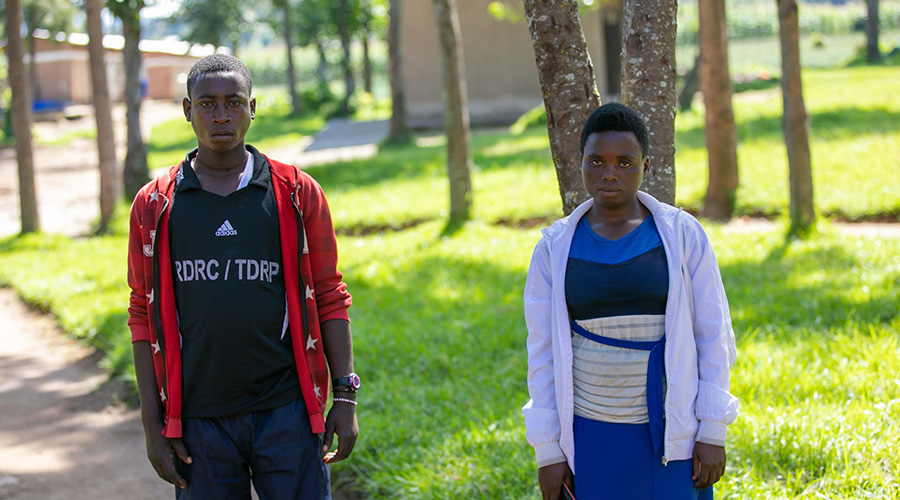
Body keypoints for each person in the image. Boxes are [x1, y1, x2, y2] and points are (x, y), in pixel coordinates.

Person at [127, 53, 359, 500]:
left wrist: (345, 397)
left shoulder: (295, 192)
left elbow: (330, 295)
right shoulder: (155, 204)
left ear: (253, 108)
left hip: (288, 411)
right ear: (186, 110)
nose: (220, 115)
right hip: (198, 419)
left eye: (233, 102)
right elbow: (143, 313)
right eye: (207, 103)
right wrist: (153, 426)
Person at [522, 103, 739, 500]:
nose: (609, 173)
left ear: (647, 166)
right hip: (591, 430)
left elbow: (713, 335)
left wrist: (712, 429)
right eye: (597, 161)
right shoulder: (554, 247)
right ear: (580, 163)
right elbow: (542, 353)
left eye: (625, 162)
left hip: (673, 432)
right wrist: (548, 451)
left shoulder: (681, 234)